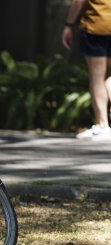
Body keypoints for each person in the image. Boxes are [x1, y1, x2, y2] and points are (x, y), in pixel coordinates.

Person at [62, 0, 111, 141]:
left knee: (97, 79)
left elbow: (78, 1)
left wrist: (69, 24)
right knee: (108, 77)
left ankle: (103, 125)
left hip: (97, 26)